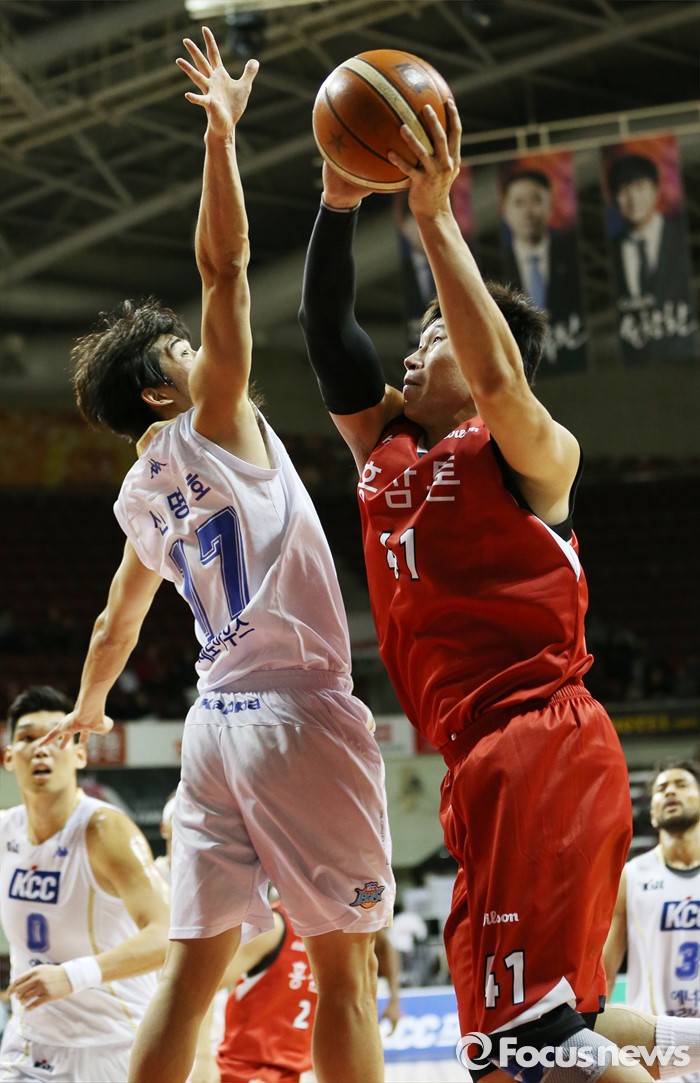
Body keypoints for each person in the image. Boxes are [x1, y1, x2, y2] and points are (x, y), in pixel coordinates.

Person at [299, 97, 700, 1082]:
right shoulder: (385, 447)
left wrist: (435, 218)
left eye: (432, 336)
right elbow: (328, 331)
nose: (410, 351)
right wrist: (338, 203)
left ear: (481, 358)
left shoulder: (534, 449)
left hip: (538, 743)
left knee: (523, 1042)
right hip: (481, 759)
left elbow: (500, 376)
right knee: (538, 1030)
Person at [41, 27, 393, 1083]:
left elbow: (116, 620)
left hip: (212, 727)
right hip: (296, 712)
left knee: (192, 975)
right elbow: (224, 265)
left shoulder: (139, 493)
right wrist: (222, 138)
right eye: (184, 350)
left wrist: (92, 707)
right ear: (164, 389)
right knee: (345, 971)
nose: (203, 350)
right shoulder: (217, 422)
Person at [0, 685, 170, 1083]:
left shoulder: (105, 829)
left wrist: (73, 975)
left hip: (111, 1046)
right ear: (8, 758)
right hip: (29, 1045)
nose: (41, 748)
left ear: (79, 754)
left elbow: (166, 934)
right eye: (27, 738)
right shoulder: (5, 830)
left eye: (55, 737)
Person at [604, 760, 700, 1082]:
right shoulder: (631, 876)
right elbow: (605, 969)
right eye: (661, 789)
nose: (671, 791)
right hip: (655, 1052)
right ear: (654, 814)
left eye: (681, 785)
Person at [605, 151, 699, 364]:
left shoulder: (682, 237)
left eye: (639, 187)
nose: (632, 198)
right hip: (637, 358)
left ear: (656, 190)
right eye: (623, 190)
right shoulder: (613, 250)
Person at [500, 167, 587, 373]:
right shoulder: (495, 268)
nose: (528, 212)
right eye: (519, 203)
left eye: (536, 201)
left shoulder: (573, 254)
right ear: (505, 211)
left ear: (550, 205)